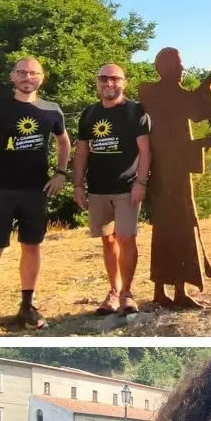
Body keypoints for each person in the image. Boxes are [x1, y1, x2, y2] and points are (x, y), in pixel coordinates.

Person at [0, 56, 71, 336]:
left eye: (33, 73)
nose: (27, 77)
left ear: (41, 78)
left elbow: (64, 142)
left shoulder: (52, 110)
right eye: (21, 72)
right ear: (12, 76)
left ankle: (27, 306)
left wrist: (61, 173)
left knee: (32, 246)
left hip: (35, 192)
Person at [138, 49, 211, 309]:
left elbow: (204, 112)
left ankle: (179, 289)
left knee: (183, 226)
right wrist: (205, 83)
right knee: (166, 228)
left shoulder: (174, 94)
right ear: (164, 68)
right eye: (178, 65)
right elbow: (196, 109)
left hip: (178, 169)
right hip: (161, 170)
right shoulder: (150, 91)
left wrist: (208, 83)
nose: (183, 69)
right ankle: (161, 290)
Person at [74, 63, 151, 315]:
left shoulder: (135, 111)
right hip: (97, 188)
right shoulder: (89, 114)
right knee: (108, 240)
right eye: (103, 78)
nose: (109, 83)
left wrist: (141, 182)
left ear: (123, 82)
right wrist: (78, 184)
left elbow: (145, 150)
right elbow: (82, 151)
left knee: (126, 237)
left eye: (114, 79)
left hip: (127, 187)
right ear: (97, 82)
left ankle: (128, 293)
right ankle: (114, 291)